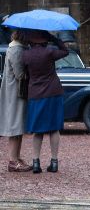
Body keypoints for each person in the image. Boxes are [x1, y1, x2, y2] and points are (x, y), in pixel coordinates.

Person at [21, 30, 68, 173]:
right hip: (53, 92)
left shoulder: (26, 55)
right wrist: (54, 38)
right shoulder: (49, 52)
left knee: (38, 131)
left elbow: (25, 73)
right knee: (54, 128)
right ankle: (54, 162)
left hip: (35, 94)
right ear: (44, 40)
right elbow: (65, 51)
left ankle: (36, 162)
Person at [0, 27, 30, 172]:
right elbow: (19, 74)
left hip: (15, 91)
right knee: (15, 126)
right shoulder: (17, 50)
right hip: (15, 92)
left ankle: (16, 157)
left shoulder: (16, 48)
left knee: (18, 126)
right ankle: (13, 160)